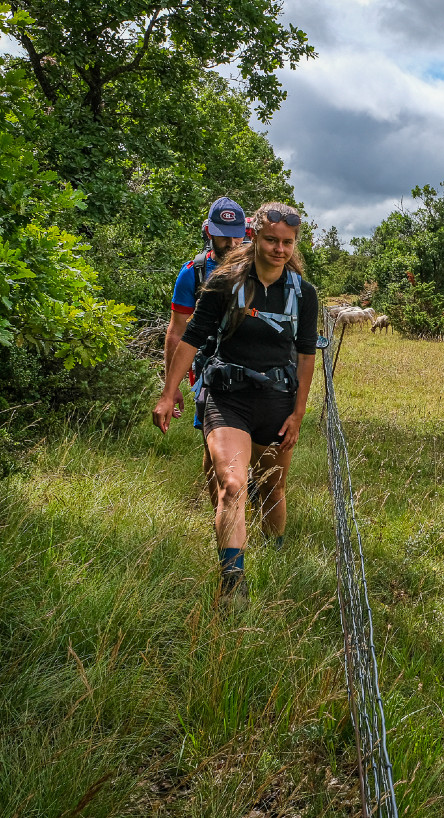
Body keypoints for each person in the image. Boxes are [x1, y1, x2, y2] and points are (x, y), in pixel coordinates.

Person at [154, 202, 317, 604]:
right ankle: (232, 584)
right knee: (231, 484)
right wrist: (168, 390)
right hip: (227, 398)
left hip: (277, 401)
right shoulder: (223, 283)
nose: (279, 249)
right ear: (255, 236)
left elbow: (306, 355)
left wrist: (298, 413)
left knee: (273, 486)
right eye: (271, 240)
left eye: (287, 243)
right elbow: (191, 337)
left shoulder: (303, 294)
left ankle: (276, 553)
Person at [165, 197, 250, 494]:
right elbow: (177, 330)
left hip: (256, 366)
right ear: (208, 231)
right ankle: (223, 509)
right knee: (214, 445)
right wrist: (171, 385)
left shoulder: (261, 266)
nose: (230, 241)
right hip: (209, 370)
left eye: (236, 233)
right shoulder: (194, 272)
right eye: (222, 234)